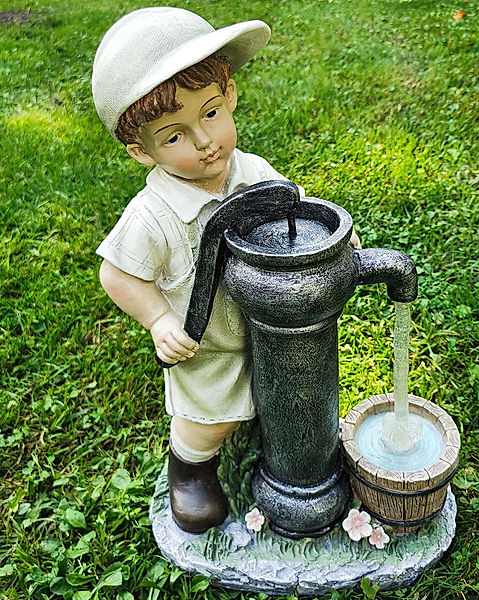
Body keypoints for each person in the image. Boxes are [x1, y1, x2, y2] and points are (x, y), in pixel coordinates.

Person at [92, 6, 297, 533]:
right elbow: (117, 274)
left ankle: (279, 446)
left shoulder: (251, 172)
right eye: (175, 136)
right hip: (206, 343)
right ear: (142, 151)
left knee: (286, 395)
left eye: (209, 114)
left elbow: (294, 211)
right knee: (213, 417)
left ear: (229, 94)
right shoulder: (152, 217)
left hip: (266, 325)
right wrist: (160, 321)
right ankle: (189, 466)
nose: (206, 142)